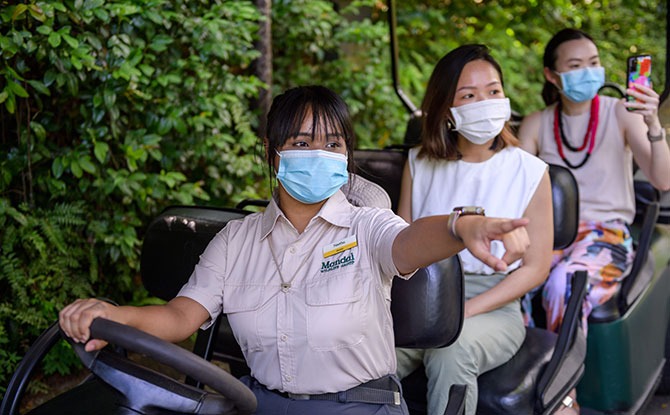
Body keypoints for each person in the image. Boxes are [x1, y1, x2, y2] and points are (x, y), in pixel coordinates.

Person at [59, 85, 532, 415]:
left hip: (360, 407)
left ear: (346, 156)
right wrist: (117, 316)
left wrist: (459, 225)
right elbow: (180, 316)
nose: (318, 152)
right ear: (273, 152)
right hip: (258, 402)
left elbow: (408, 242)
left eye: (332, 142)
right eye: (301, 142)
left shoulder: (367, 225)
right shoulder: (236, 239)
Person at [394, 45, 553, 415]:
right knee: (368, 352)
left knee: (453, 350)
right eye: (468, 95)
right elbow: (399, 243)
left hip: (493, 305)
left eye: (493, 91)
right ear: (446, 109)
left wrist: (464, 310)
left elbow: (535, 268)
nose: (485, 102)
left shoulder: (530, 172)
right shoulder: (419, 163)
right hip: (423, 296)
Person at [518, 28, 670, 335]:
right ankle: (517, 365)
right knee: (510, 278)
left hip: (607, 234)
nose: (587, 72)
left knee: (566, 284)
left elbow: (662, 179)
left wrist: (653, 123)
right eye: (575, 66)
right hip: (550, 235)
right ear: (552, 75)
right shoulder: (537, 123)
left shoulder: (621, 113)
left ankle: (563, 378)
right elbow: (515, 191)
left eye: (593, 62)